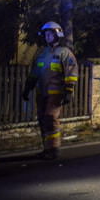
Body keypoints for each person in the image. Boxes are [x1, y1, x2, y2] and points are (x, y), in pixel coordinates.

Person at [22, 21, 78, 160]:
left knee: (50, 117)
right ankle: (46, 148)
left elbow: (71, 73)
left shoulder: (64, 53)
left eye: (50, 34)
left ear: (57, 35)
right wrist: (28, 87)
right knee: (42, 119)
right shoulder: (42, 53)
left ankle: (54, 148)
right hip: (41, 92)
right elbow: (35, 72)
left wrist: (69, 91)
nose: (47, 37)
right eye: (46, 35)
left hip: (56, 93)